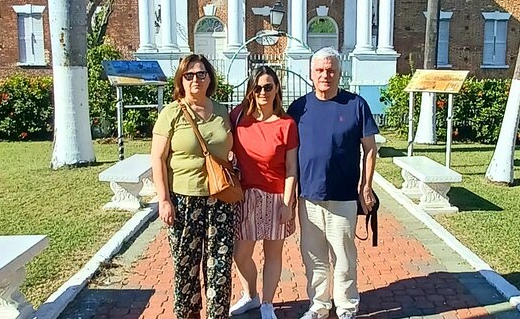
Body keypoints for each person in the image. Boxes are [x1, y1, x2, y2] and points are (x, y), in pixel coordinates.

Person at [287, 47, 379, 319]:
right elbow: (288, 152)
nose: (325, 75)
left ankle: (347, 305)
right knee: (313, 255)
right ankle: (319, 305)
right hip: (309, 195)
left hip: (343, 195)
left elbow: (370, 149)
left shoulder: (356, 105)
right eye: (320, 70)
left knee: (344, 255)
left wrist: (366, 186)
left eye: (330, 70)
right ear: (311, 73)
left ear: (339, 73)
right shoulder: (299, 108)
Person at [150, 54, 235, 319]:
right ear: (181, 80)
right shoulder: (171, 113)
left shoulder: (222, 111)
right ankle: (188, 315)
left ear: (210, 78)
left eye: (201, 74)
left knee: (219, 267)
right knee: (185, 266)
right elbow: (158, 158)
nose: (196, 79)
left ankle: (217, 315)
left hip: (220, 198)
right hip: (183, 201)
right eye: (189, 75)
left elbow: (234, 149)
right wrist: (164, 200)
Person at [229, 66, 299, 319]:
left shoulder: (286, 124)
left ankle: (267, 303)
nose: (262, 92)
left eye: (268, 87)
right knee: (241, 254)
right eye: (257, 87)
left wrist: (287, 203)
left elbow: (292, 167)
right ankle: (250, 296)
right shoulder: (238, 117)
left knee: (273, 253)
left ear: (277, 88)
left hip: (276, 195)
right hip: (246, 196)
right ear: (250, 90)